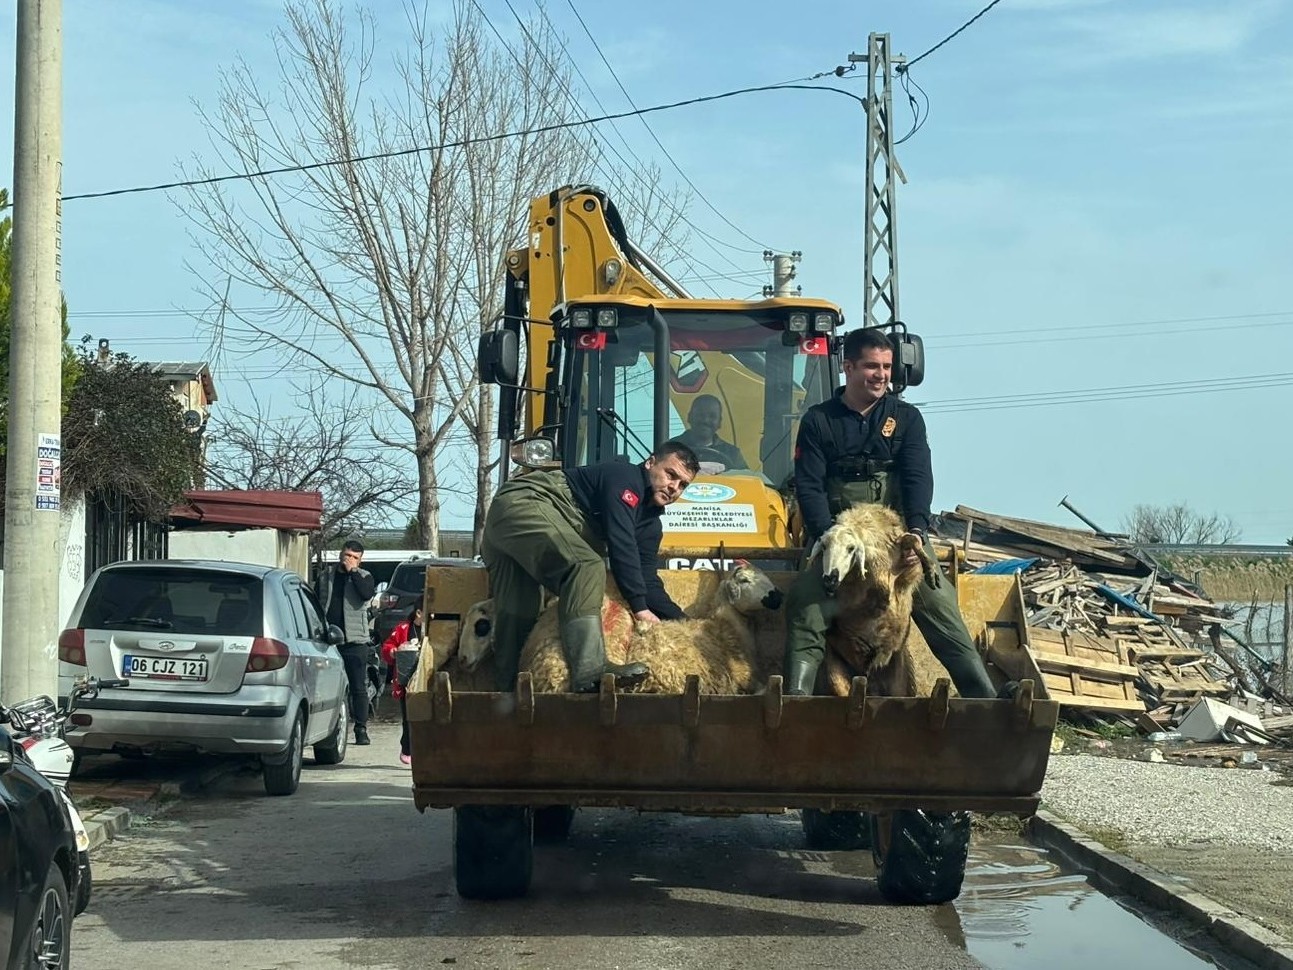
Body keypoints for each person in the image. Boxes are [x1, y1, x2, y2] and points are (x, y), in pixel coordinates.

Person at [782, 327, 998, 699]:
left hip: (897, 538)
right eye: (872, 366)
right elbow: (809, 485)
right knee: (805, 603)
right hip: (840, 537)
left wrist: (917, 532)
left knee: (940, 605)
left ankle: (984, 698)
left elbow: (918, 477)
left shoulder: (907, 418)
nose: (881, 375)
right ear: (848, 367)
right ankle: (794, 700)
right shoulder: (818, 421)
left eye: (886, 367)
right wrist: (826, 534)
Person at [481, 440, 701, 694]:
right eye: (670, 474)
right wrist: (639, 607)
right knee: (586, 565)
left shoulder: (650, 527)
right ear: (650, 463)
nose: (674, 487)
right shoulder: (625, 478)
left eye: (683, 485)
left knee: (519, 612)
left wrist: (687, 624)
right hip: (525, 503)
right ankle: (590, 671)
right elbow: (621, 546)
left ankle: (506, 697)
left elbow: (647, 581)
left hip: (507, 528)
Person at [323, 539, 377, 744]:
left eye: (355, 557)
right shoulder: (327, 576)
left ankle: (361, 729)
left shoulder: (364, 576)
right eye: (347, 555)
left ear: (360, 560)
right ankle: (329, 728)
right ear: (340, 554)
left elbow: (366, 594)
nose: (350, 560)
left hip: (355, 641)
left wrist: (353, 572)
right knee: (329, 686)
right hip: (329, 641)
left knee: (358, 687)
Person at [381, 605, 424, 766]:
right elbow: (388, 646)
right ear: (418, 613)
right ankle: (407, 748)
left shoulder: (435, 629)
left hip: (425, 680)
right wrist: (393, 652)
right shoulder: (403, 629)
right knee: (408, 718)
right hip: (406, 682)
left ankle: (422, 749)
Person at [677, 394, 748, 471]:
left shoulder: (732, 454)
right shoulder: (671, 449)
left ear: (719, 422)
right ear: (689, 417)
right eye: (700, 415)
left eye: (712, 416)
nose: (705, 420)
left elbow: (744, 477)